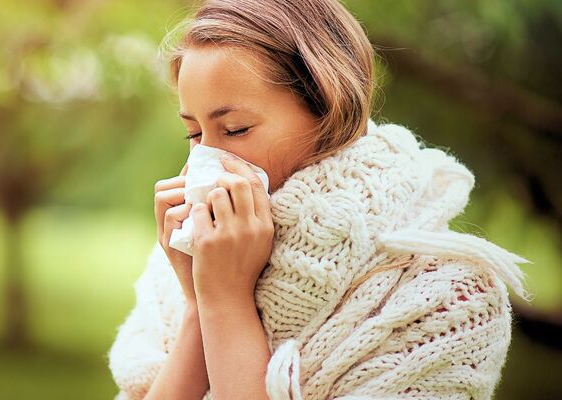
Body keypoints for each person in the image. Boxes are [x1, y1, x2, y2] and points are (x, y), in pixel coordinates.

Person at [108, 1, 533, 399]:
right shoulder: (181, 267)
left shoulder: (448, 299)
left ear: (330, 112)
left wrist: (228, 303)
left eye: (235, 129)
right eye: (194, 134)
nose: (207, 160)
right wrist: (200, 306)